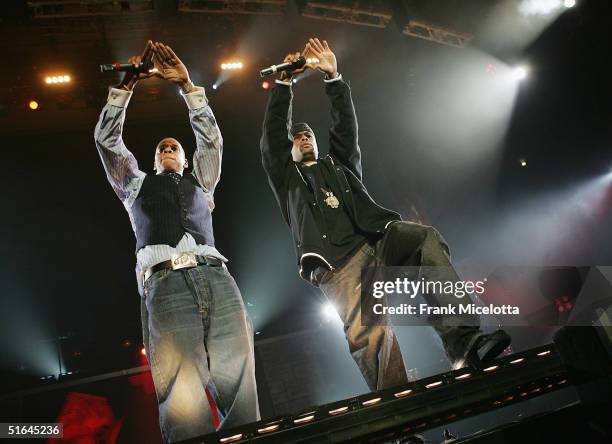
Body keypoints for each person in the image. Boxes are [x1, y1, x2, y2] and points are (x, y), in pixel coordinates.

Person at [260, 38, 510, 392]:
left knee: (423, 239)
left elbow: (346, 130)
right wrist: (283, 83)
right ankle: (400, 407)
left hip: (375, 240)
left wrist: (333, 79)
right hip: (338, 264)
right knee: (370, 333)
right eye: (297, 137)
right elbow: (272, 138)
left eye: (309, 135)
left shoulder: (340, 166)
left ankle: (465, 344)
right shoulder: (288, 180)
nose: (304, 139)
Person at [94, 41, 259, 442]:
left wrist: (188, 86)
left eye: (175, 147)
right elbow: (107, 142)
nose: (169, 147)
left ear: (185, 160)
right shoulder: (135, 185)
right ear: (153, 161)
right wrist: (125, 88)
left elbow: (211, 141)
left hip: (216, 277)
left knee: (239, 380)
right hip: (166, 284)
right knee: (182, 394)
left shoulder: (202, 180)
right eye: (161, 147)